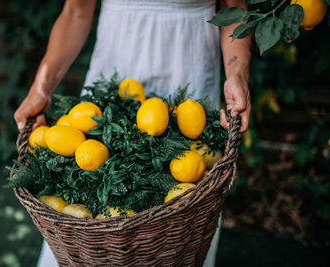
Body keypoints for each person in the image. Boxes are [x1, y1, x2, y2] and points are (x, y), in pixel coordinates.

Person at [14, 0, 251, 266]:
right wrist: (41, 87)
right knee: (88, 203)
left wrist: (237, 74)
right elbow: (75, 12)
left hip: (189, 67)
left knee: (186, 211)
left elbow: (235, 8)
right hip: (114, 74)